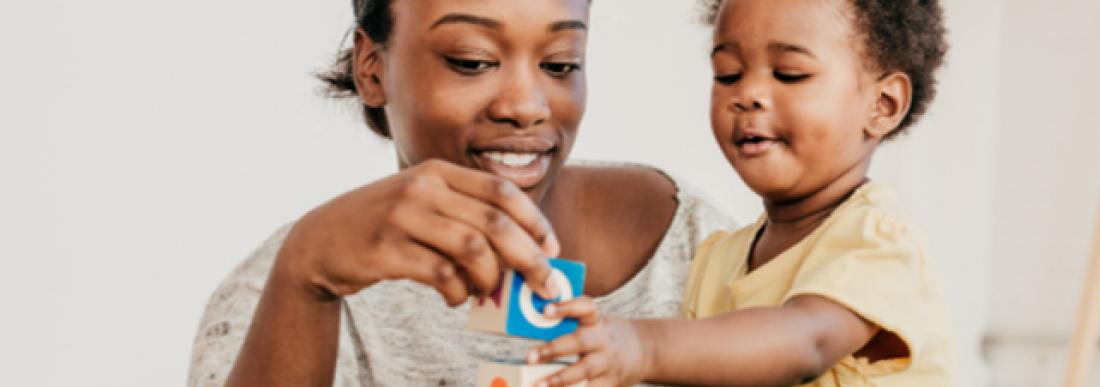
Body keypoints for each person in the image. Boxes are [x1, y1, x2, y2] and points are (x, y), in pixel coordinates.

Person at [186, 1, 734, 386]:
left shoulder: (694, 242)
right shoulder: (283, 290)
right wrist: (305, 280)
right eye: (472, 61)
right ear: (371, 68)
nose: (526, 104)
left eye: (560, 64)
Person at [526, 0, 955, 385]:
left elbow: (807, 342)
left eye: (790, 74)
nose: (746, 95)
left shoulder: (877, 240)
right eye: (728, 75)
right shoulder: (718, 260)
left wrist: (641, 346)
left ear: (883, 104)